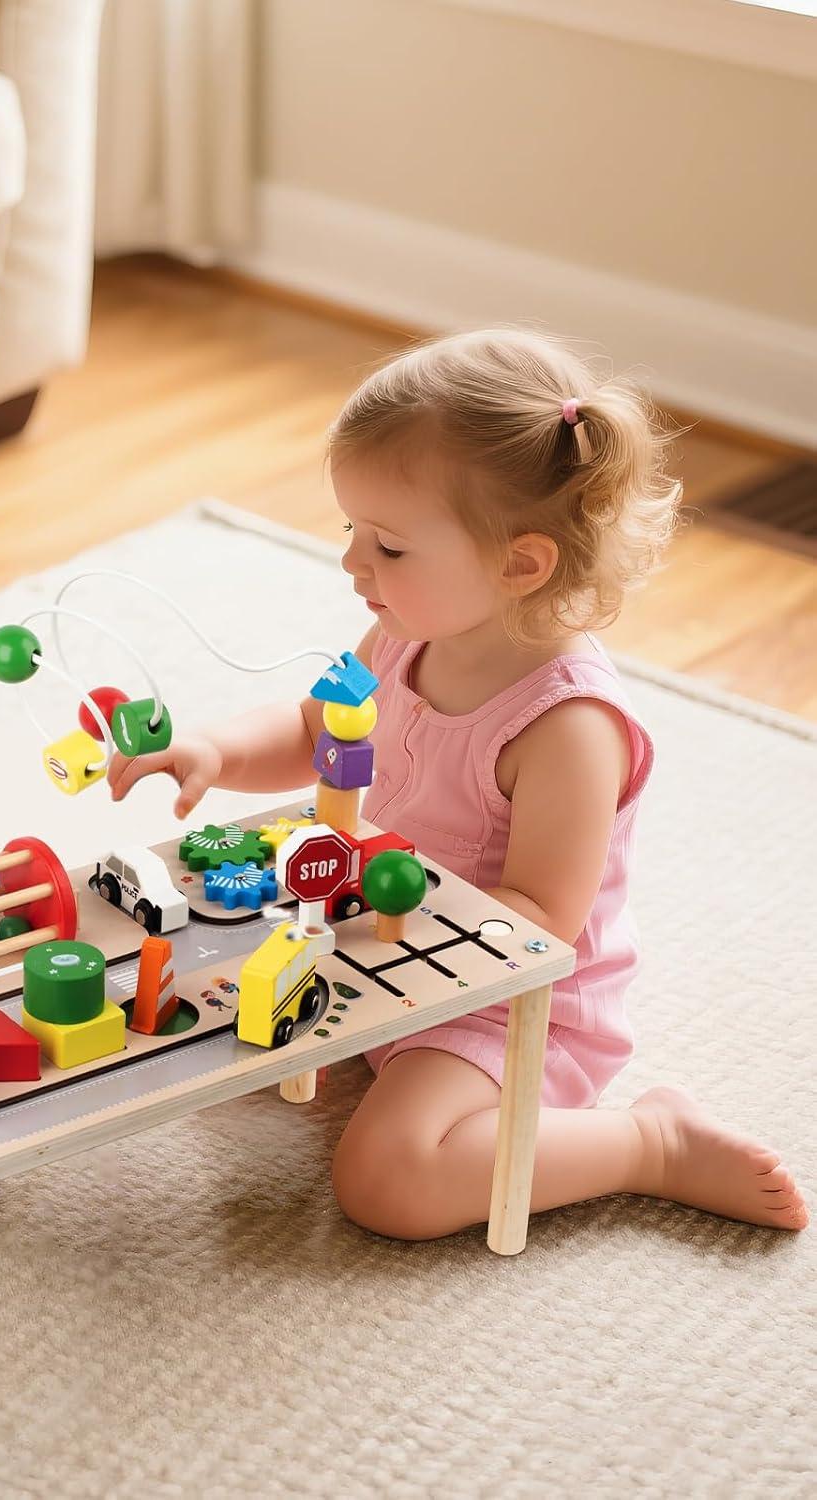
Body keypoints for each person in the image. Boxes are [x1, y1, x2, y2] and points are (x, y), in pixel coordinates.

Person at [110, 328, 807, 1237]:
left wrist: (368, 919)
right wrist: (214, 750)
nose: (354, 564)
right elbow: (317, 728)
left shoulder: (568, 726)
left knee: (389, 1182)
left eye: (389, 547)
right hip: (381, 945)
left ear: (521, 563)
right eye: (350, 530)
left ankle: (648, 1143)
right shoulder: (402, 633)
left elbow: (542, 918)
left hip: (506, 999)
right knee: (176, 996)